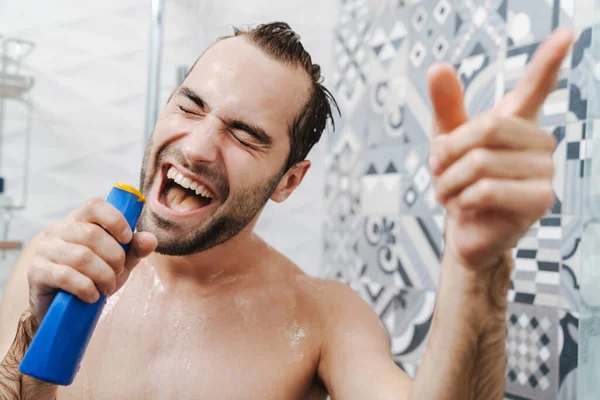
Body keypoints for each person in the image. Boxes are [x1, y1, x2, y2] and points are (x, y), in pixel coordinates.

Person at [0, 21, 572, 399]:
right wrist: (35, 331)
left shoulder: (323, 319)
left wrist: (478, 271)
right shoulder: (52, 263)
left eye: (244, 135)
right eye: (190, 106)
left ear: (289, 181)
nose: (196, 147)